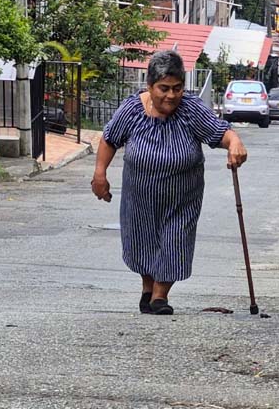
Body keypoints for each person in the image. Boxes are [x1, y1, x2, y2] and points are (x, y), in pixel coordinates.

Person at [90, 50, 248, 316]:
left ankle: (159, 296)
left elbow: (221, 132)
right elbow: (110, 139)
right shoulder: (132, 109)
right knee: (143, 241)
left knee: (175, 241)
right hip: (139, 197)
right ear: (150, 86)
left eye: (177, 89)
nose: (171, 96)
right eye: (164, 88)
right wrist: (100, 174)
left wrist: (235, 143)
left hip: (182, 197)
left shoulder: (191, 109)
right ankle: (148, 288)